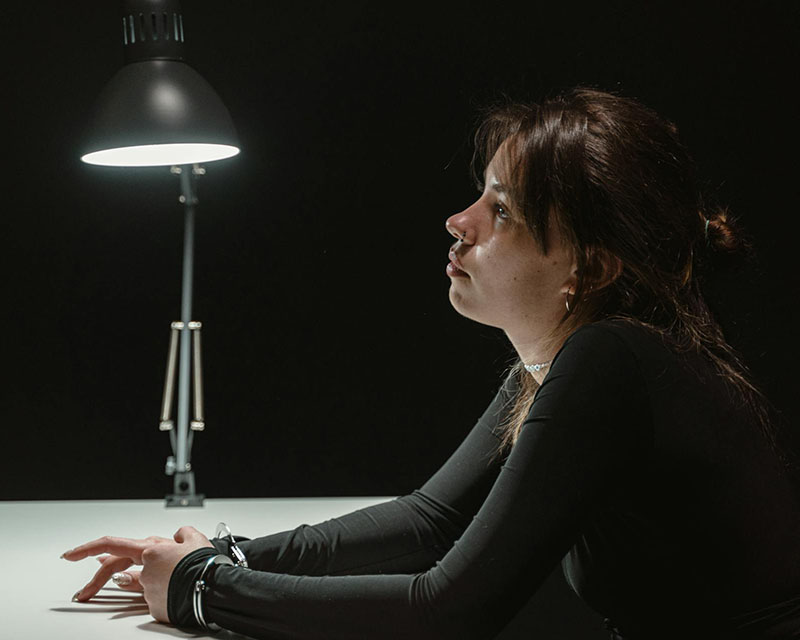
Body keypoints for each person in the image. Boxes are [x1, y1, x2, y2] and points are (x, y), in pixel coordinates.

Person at [62, 87, 800, 639]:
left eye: (502, 210)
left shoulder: (617, 360)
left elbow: (448, 609)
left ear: (590, 267)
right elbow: (427, 521)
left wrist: (202, 589)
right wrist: (226, 555)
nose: (459, 221)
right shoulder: (576, 359)